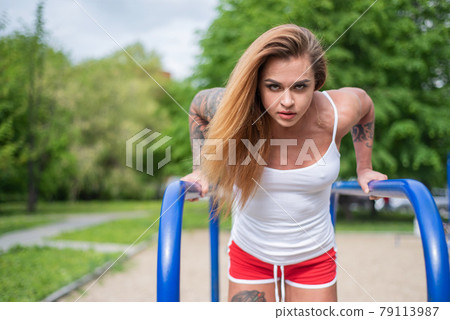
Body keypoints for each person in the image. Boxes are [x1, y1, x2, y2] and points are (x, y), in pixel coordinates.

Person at [181, 24, 387, 302]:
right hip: (249, 255)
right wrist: (201, 170)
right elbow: (197, 107)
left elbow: (367, 107)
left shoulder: (339, 111)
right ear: (256, 84)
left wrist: (365, 168)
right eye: (273, 87)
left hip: (314, 258)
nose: (287, 101)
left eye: (300, 86)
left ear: (318, 82)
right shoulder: (234, 108)